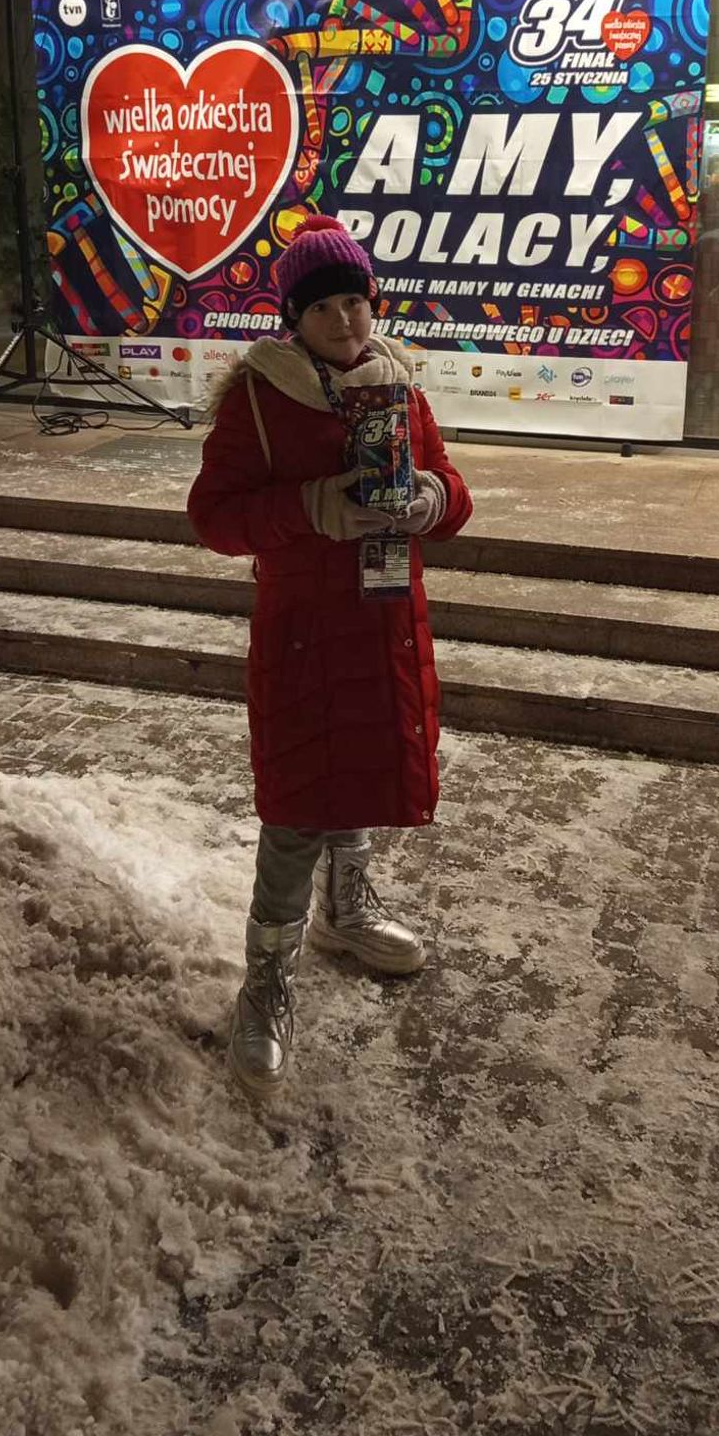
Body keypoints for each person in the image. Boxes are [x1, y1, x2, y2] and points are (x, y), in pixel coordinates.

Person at [186, 215, 473, 1099]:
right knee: (299, 802)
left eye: (356, 301)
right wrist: (312, 507)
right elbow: (213, 517)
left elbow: (454, 491)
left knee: (362, 769)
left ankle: (345, 913)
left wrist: (430, 499)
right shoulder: (259, 397)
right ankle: (265, 978)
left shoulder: (398, 384)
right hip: (304, 626)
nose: (346, 321)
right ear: (295, 317)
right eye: (325, 308)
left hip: (384, 619)